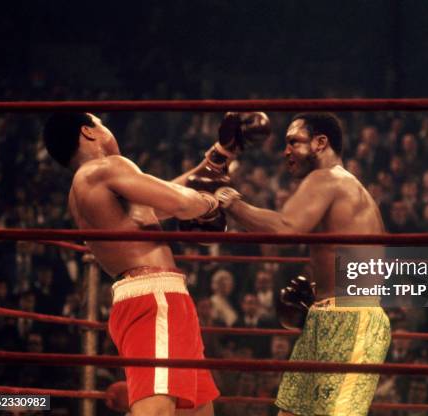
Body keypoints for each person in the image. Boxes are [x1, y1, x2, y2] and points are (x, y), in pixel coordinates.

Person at [43, 112, 223, 416]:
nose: (108, 129)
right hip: (155, 299)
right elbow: (179, 202)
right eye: (102, 123)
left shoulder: (84, 187)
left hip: (149, 297)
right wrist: (212, 205)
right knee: (156, 411)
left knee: (196, 411)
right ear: (88, 131)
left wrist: (218, 157)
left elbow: (157, 200)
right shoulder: (106, 166)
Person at [216, 113, 392, 416]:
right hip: (329, 314)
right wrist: (317, 293)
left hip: (352, 317)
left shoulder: (328, 178)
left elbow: (286, 229)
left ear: (320, 143)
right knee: (291, 412)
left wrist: (233, 204)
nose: (285, 151)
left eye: (293, 142)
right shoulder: (346, 188)